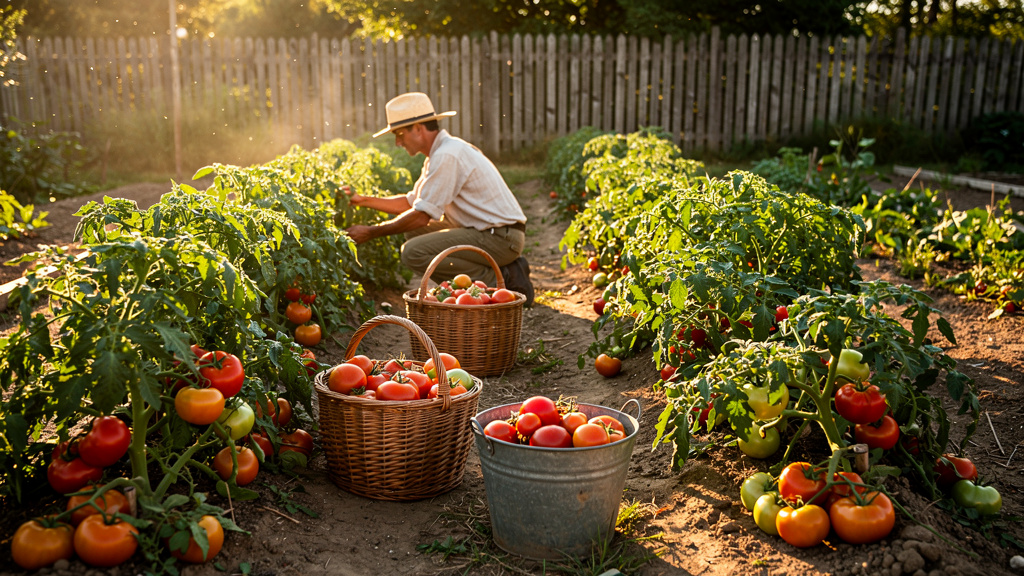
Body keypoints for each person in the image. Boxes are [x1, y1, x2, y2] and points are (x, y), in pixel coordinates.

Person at [343, 92, 535, 306]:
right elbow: (412, 204)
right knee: (412, 231)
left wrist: (371, 232)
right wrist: (363, 200)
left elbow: (421, 216)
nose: (397, 142)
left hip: (501, 238)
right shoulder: (440, 153)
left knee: (413, 252)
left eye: (399, 134)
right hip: (491, 232)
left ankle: (502, 282)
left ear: (418, 128)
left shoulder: (447, 155)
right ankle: (497, 273)